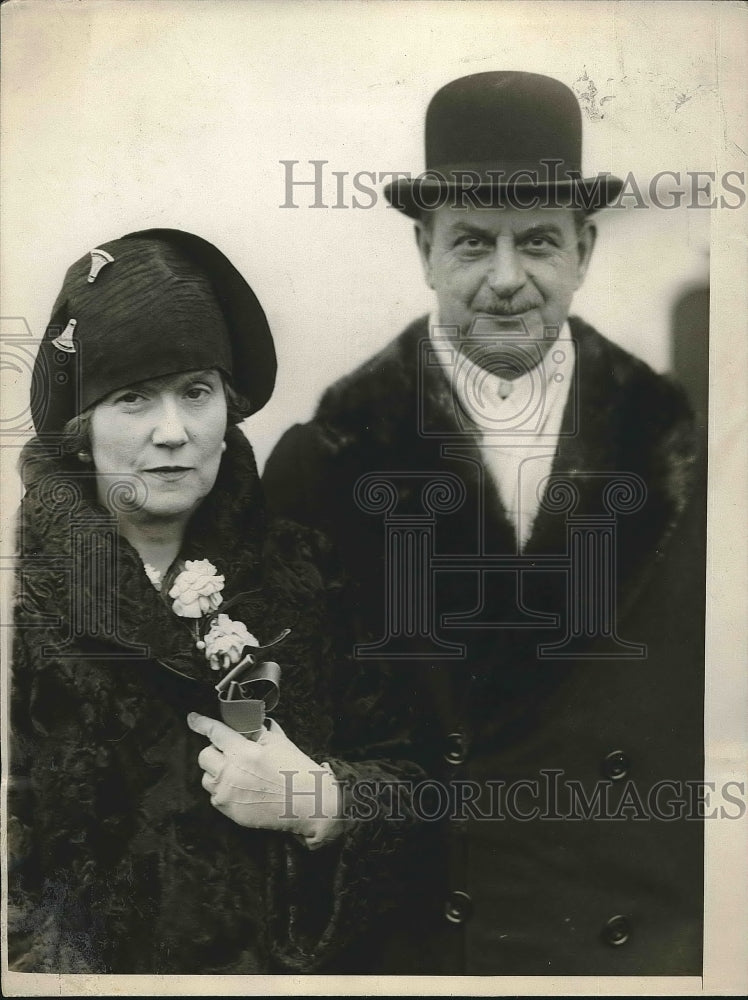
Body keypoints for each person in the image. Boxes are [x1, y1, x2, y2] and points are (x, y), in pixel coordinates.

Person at [263, 72, 707, 974]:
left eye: (537, 241)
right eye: (473, 243)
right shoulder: (329, 461)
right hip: (416, 952)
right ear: (425, 249)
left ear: (584, 249)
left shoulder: (684, 455)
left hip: (632, 951)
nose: (506, 281)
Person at [7, 229, 423, 975]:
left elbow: (417, 786)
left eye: (195, 391)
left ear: (226, 409)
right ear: (82, 426)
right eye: (133, 397)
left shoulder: (309, 574)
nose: (174, 432)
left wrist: (319, 801)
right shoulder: (21, 600)